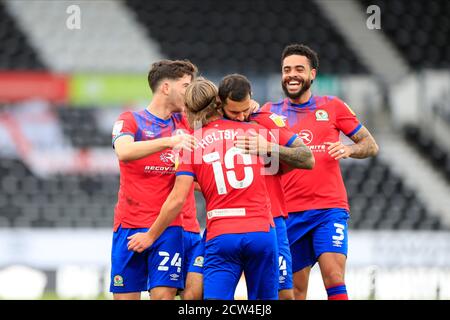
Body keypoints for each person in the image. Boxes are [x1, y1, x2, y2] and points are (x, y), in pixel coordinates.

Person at [127, 78, 279, 300]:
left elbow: (178, 198)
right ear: (220, 103)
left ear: (188, 108)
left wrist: (150, 236)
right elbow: (290, 165)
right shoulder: (255, 130)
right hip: (262, 229)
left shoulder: (192, 143)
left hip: (223, 232)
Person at [261, 43, 379, 300]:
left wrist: (349, 150)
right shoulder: (268, 112)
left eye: (299, 69)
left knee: (334, 277)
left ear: (312, 74)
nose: (292, 75)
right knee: (294, 291)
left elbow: (370, 145)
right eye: (286, 70)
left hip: (328, 209)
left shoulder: (333, 106)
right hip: (288, 213)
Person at [218, 73, 315, 300]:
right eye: (234, 112)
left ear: (251, 98)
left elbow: (307, 158)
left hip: (271, 220)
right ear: (220, 104)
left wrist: (269, 146)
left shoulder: (266, 119)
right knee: (201, 291)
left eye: (245, 110)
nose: (242, 117)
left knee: (283, 295)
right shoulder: (210, 124)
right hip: (226, 222)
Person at [110, 59, 198, 300]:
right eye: (185, 86)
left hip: (168, 226)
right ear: (166, 88)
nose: (189, 92)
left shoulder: (187, 124)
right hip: (128, 225)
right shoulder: (130, 120)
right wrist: (170, 142)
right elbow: (124, 151)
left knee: (163, 295)